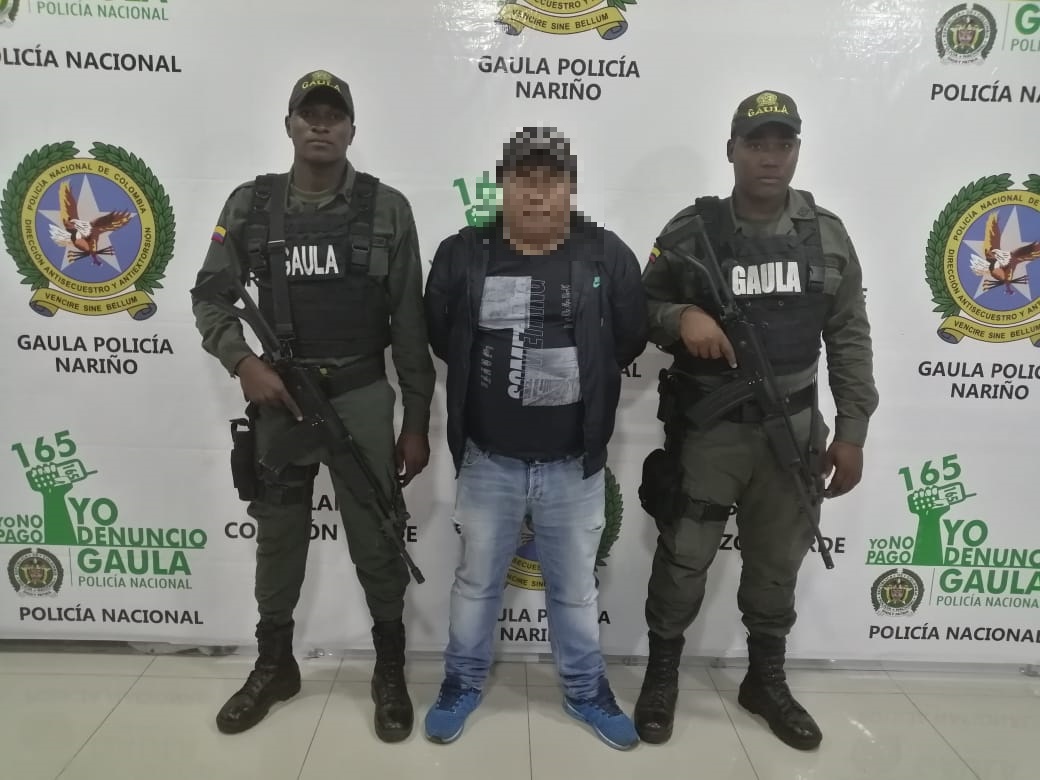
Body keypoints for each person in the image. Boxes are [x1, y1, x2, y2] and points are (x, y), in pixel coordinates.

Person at [189, 69, 435, 742]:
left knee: (378, 534)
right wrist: (244, 362)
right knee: (278, 536)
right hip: (283, 398)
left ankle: (389, 667)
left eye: (334, 115)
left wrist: (416, 421)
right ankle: (275, 665)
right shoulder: (251, 204)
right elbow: (210, 295)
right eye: (309, 114)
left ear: (352, 129)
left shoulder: (387, 209)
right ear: (290, 125)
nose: (320, 125)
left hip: (360, 394)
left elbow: (409, 326)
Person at [635, 91, 878, 751]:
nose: (770, 157)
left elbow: (849, 335)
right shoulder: (692, 231)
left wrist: (852, 430)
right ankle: (662, 674)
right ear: (732, 150)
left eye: (782, 144)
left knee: (776, 562)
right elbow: (637, 307)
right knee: (685, 557)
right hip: (710, 432)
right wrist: (681, 317)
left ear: (796, 151)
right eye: (756, 144)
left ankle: (764, 680)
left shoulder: (826, 236)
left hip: (793, 431)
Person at [422, 127, 648, 750]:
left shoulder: (606, 255)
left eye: (553, 180)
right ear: (503, 185)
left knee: (574, 592)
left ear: (572, 188)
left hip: (573, 466)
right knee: (476, 585)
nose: (539, 193)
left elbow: (629, 337)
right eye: (525, 178)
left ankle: (585, 690)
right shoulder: (463, 254)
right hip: (488, 460)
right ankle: (462, 682)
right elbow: (442, 334)